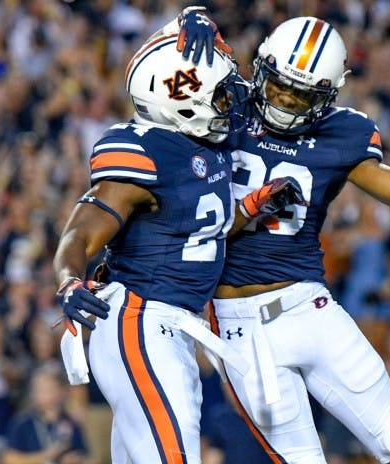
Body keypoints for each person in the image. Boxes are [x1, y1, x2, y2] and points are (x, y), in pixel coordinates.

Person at [179, 13, 390, 463]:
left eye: (301, 94)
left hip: (309, 307)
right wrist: (185, 23)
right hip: (239, 323)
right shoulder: (227, 100)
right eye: (278, 84)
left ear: (327, 95)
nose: (283, 99)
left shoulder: (344, 131)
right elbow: (161, 86)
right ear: (261, 70)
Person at [52, 19, 302, 463]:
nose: (232, 100)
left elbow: (196, 234)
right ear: (182, 102)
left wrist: (250, 209)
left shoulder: (208, 147)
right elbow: (81, 231)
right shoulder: (146, 152)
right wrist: (70, 280)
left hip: (172, 331)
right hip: (141, 322)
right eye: (220, 92)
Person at [3, 367, 88, 464]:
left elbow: (84, 456)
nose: (40, 392)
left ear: (62, 391)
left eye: (46, 388)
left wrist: (74, 460)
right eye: (37, 388)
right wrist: (49, 454)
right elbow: (9, 460)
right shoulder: (22, 423)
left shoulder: (71, 423)